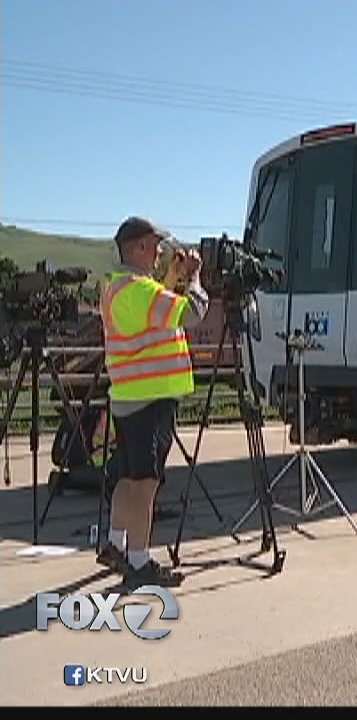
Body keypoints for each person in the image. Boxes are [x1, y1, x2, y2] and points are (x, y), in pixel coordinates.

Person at [97, 217, 208, 587]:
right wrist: (194, 278)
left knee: (127, 478)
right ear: (140, 247)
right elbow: (191, 313)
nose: (160, 252)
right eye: (156, 245)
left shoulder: (118, 287)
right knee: (146, 484)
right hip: (150, 399)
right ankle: (140, 562)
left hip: (128, 397)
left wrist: (172, 277)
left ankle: (115, 543)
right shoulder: (140, 290)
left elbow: (155, 311)